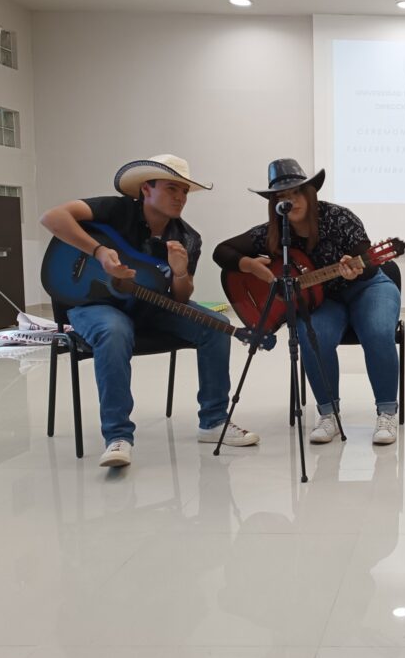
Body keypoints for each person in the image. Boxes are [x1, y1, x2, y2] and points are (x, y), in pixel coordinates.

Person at [40, 154, 259, 468]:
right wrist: (99, 252)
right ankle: (118, 437)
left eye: (184, 191)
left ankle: (213, 421)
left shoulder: (187, 238)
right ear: (146, 189)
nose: (180, 197)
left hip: (150, 307)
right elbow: (52, 217)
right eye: (172, 188)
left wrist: (181, 273)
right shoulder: (115, 210)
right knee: (114, 331)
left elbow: (180, 299)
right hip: (95, 303)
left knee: (216, 324)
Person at [213, 159, 401, 445]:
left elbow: (371, 265)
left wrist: (356, 267)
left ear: (310, 193)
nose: (290, 201)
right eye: (282, 197)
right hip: (321, 302)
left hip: (367, 288)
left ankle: (386, 412)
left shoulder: (339, 218)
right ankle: (329, 415)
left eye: (296, 192)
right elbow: (221, 251)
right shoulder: (273, 234)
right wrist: (249, 265)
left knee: (376, 331)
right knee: (312, 336)